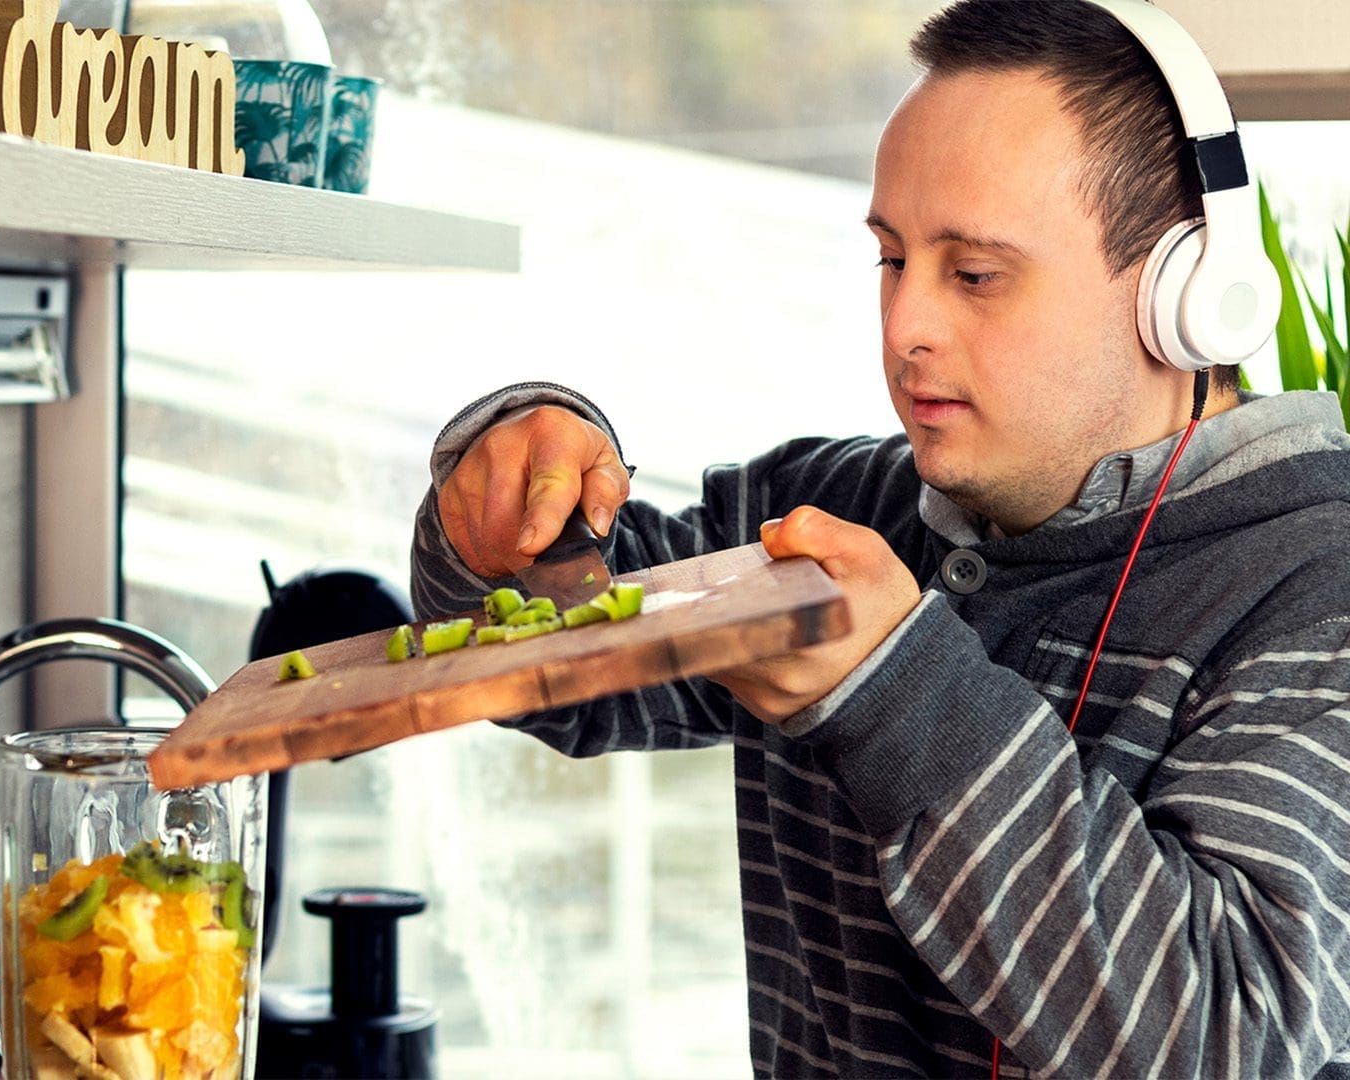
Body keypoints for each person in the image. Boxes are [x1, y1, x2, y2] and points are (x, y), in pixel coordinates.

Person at [409, 1, 1350, 1076]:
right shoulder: (828, 505)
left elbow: (1231, 1034)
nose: (907, 326)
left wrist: (894, 688)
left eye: (975, 274)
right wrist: (506, 507)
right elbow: (528, 662)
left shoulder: (1319, 584)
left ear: (1185, 294)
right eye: (892, 260)